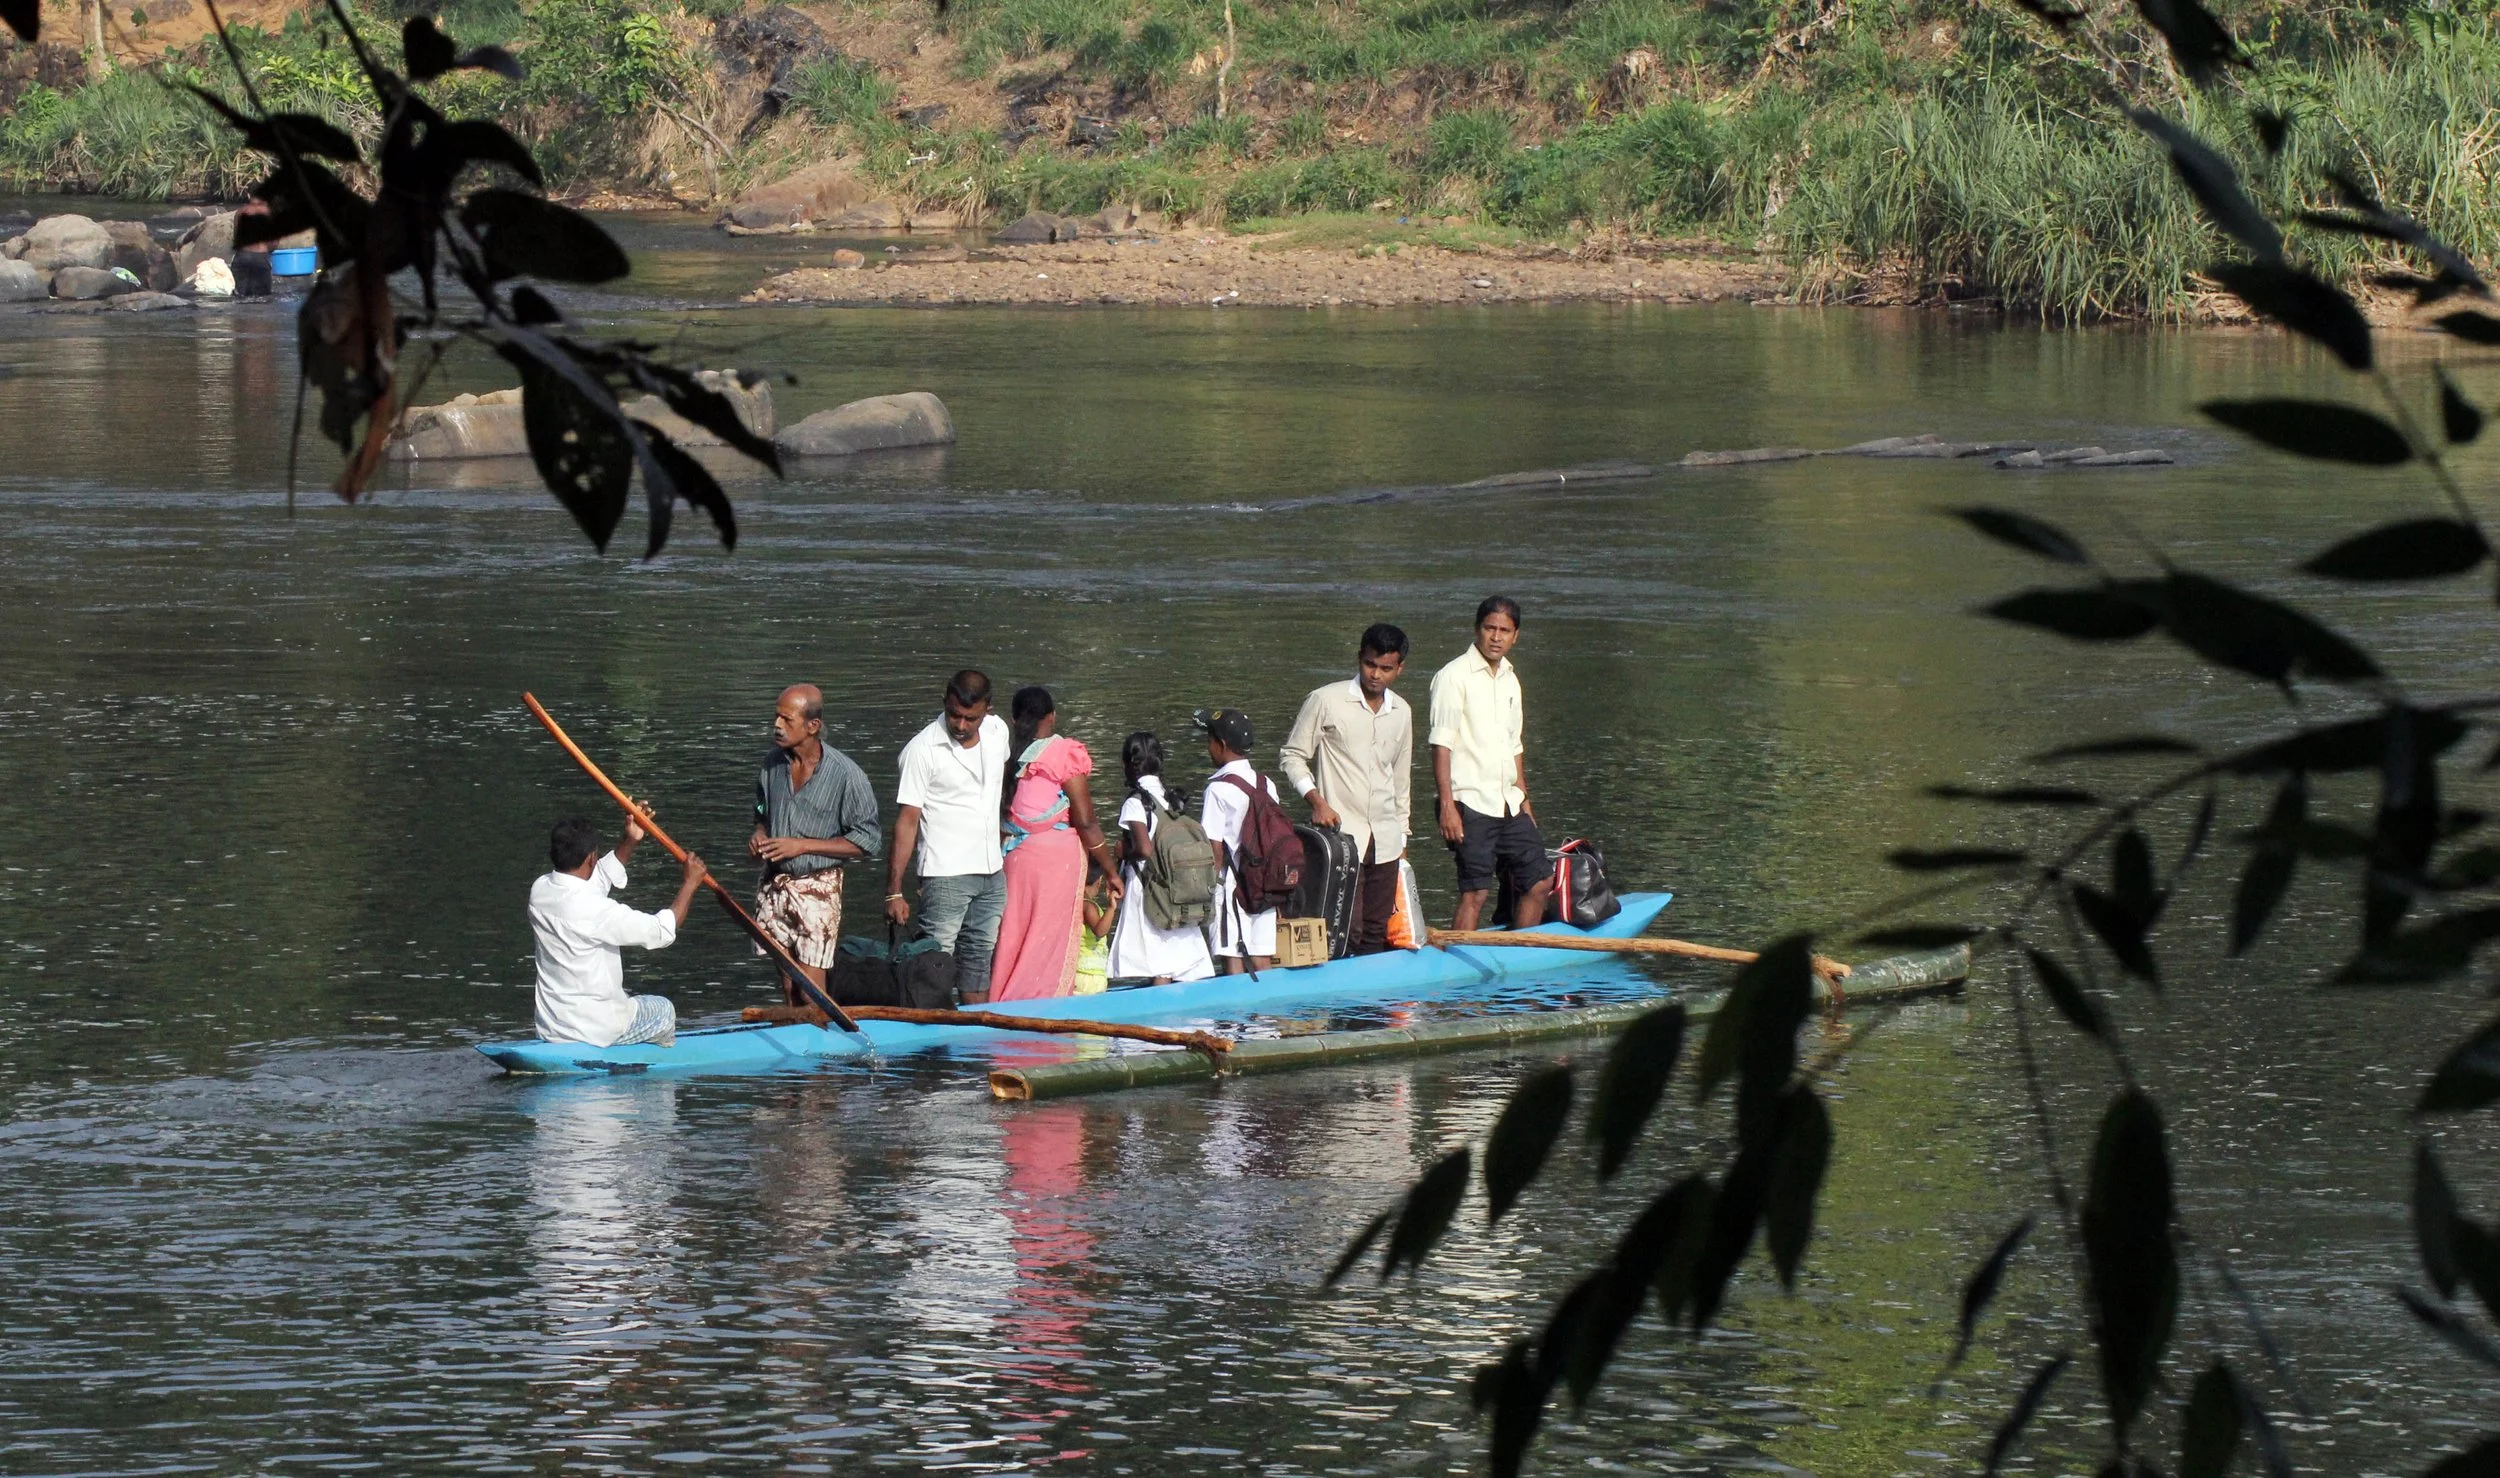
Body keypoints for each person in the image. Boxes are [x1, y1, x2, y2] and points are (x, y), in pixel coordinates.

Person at [1279, 622, 1414, 955]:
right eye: (1370, 664)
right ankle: (1337, 1003)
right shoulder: (1326, 700)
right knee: (1343, 929)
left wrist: (1403, 837)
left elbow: (1400, 779)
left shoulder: (1402, 712)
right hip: (1340, 838)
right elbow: (1292, 756)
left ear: (1399, 669)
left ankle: (1368, 1005)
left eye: (1385, 668)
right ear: (1359, 658)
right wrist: (1317, 801)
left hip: (1385, 838)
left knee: (1376, 929)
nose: (1376, 675)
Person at [749, 683, 881, 1006]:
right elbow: (762, 811)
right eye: (776, 717)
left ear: (813, 726)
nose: (776, 726)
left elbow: (868, 841)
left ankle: (822, 1048)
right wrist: (759, 834)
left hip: (818, 889)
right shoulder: (771, 765)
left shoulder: (846, 775)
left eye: (786, 720)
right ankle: (798, 1049)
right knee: (788, 988)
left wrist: (803, 846)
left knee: (809, 992)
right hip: (776, 884)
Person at [990, 686, 1124, 1001]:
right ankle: (1042, 1004)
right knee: (1048, 937)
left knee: (1014, 932)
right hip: (1055, 862)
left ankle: (1003, 1001)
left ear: (1014, 720)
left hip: (1013, 856)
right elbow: (1087, 821)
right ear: (1052, 716)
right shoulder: (1062, 752)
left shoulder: (1007, 757)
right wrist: (1110, 869)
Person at [530, 813, 708, 1048]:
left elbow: (597, 879)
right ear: (592, 857)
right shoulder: (598, 910)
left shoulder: (540, 890)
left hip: (551, 1027)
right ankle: (654, 1070)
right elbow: (662, 930)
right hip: (598, 1031)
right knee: (664, 1010)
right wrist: (690, 884)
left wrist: (630, 840)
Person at [1429, 596, 1553, 931]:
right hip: (1469, 801)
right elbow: (1441, 744)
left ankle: (1521, 955)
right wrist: (1447, 807)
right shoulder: (1453, 676)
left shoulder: (1511, 679)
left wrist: (1524, 798)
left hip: (1508, 802)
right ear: (1477, 629)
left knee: (1539, 881)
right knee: (1476, 893)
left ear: (1516, 636)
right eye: (1490, 628)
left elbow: (1514, 745)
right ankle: (1455, 970)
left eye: (1505, 630)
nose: (1496, 637)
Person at [886, 670, 1011, 1003]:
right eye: (955, 715)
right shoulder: (922, 749)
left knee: (979, 961)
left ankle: (977, 1040)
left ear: (988, 710)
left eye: (971, 718)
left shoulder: (998, 732)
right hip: (945, 873)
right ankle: (927, 1046)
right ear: (945, 704)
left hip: (991, 871)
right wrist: (894, 891)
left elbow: (1000, 786)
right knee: (933, 964)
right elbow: (907, 821)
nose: (961, 724)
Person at [1107, 731, 1215, 984]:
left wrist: (1124, 852)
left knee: (1157, 957)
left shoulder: (1136, 802)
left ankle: (1158, 1011)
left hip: (1150, 887)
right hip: (1177, 886)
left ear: (1126, 765)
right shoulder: (1171, 798)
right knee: (1175, 957)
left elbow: (1144, 849)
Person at [1197, 707, 1280, 974]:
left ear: (1221, 745)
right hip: (1266, 883)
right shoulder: (1266, 784)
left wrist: (1207, 892)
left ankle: (1234, 1017)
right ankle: (1266, 1015)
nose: (1208, 748)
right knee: (1261, 956)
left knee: (1231, 952)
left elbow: (1215, 848)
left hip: (1232, 884)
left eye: (1209, 741)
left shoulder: (1217, 789)